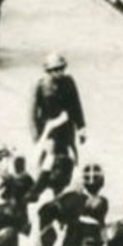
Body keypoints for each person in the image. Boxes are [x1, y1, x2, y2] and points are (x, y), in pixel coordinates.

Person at [30, 53, 86, 185]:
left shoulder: (69, 82)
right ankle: (43, 184)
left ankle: (67, 183)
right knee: (48, 161)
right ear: (49, 71)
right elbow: (32, 114)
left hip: (67, 129)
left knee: (70, 158)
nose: (59, 72)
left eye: (61, 69)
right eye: (55, 70)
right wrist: (37, 137)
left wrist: (81, 127)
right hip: (49, 131)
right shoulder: (40, 85)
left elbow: (76, 105)